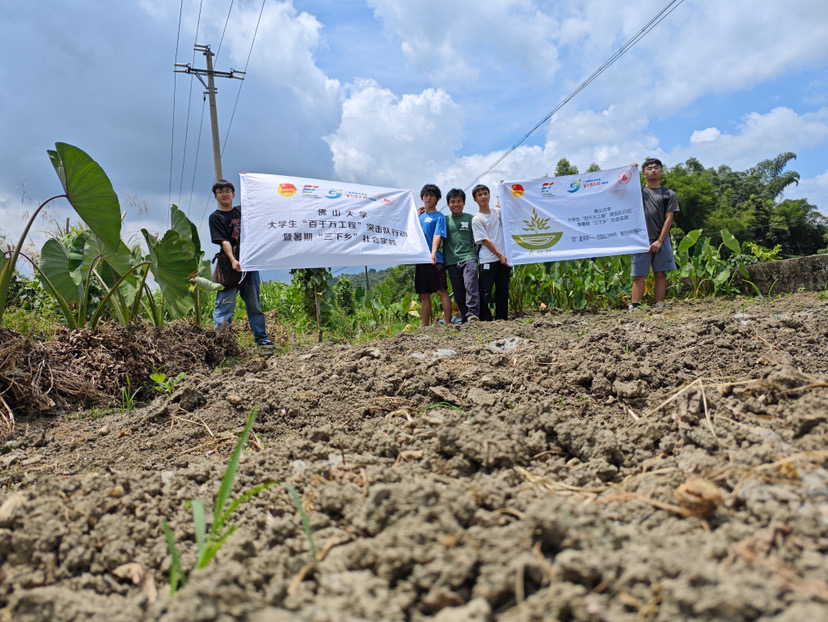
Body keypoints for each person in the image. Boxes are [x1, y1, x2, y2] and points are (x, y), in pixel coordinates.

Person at [208, 179, 274, 346]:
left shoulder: (242, 212)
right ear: (215, 197)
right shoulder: (215, 217)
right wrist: (233, 260)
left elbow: (257, 201)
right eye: (220, 192)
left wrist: (250, 181)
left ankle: (262, 340)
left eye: (227, 191)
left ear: (234, 194)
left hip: (249, 263)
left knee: (254, 305)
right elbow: (224, 241)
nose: (224, 194)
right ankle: (222, 344)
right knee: (225, 307)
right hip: (228, 266)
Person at [629, 158, 679, 310]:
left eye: (656, 167)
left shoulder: (668, 194)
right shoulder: (638, 192)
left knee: (660, 273)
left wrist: (659, 241)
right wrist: (630, 172)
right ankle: (635, 305)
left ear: (661, 171)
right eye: (649, 168)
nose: (653, 170)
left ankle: (659, 304)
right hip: (640, 240)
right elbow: (619, 190)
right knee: (639, 275)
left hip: (661, 239)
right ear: (644, 173)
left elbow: (669, 218)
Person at [415, 184, 453, 327]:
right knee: (424, 294)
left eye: (431, 195)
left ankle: (448, 323)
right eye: (425, 195)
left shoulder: (440, 217)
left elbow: (438, 234)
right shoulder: (418, 217)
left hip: (435, 258)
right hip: (420, 259)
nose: (428, 198)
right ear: (422, 198)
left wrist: (433, 252)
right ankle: (424, 326)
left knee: (441, 290)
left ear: (437, 199)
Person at [471, 184, 511, 320]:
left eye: (485, 193)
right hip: (488, 259)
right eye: (479, 195)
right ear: (475, 199)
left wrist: (504, 187)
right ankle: (485, 318)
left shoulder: (497, 212)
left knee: (502, 290)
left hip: (503, 258)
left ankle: (502, 317)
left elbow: (509, 205)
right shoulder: (477, 219)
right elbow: (485, 241)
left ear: (489, 195)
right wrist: (499, 255)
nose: (483, 196)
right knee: (485, 291)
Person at [444, 188, 480, 322]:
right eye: (453, 202)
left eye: (459, 201)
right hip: (451, 260)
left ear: (464, 203)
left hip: (469, 257)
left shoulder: (471, 218)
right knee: (458, 291)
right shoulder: (444, 220)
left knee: (471, 285)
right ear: (448, 204)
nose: (456, 204)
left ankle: (473, 314)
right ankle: (465, 316)